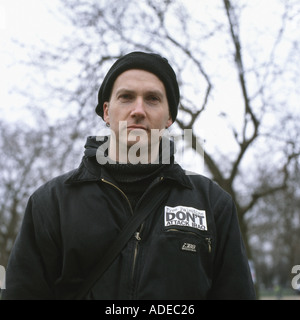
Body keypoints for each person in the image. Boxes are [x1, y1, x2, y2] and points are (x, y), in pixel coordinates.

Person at [2, 51, 256, 300]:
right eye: (126, 97)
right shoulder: (51, 203)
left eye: (152, 99)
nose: (138, 110)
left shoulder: (212, 203)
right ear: (106, 112)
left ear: (169, 117)